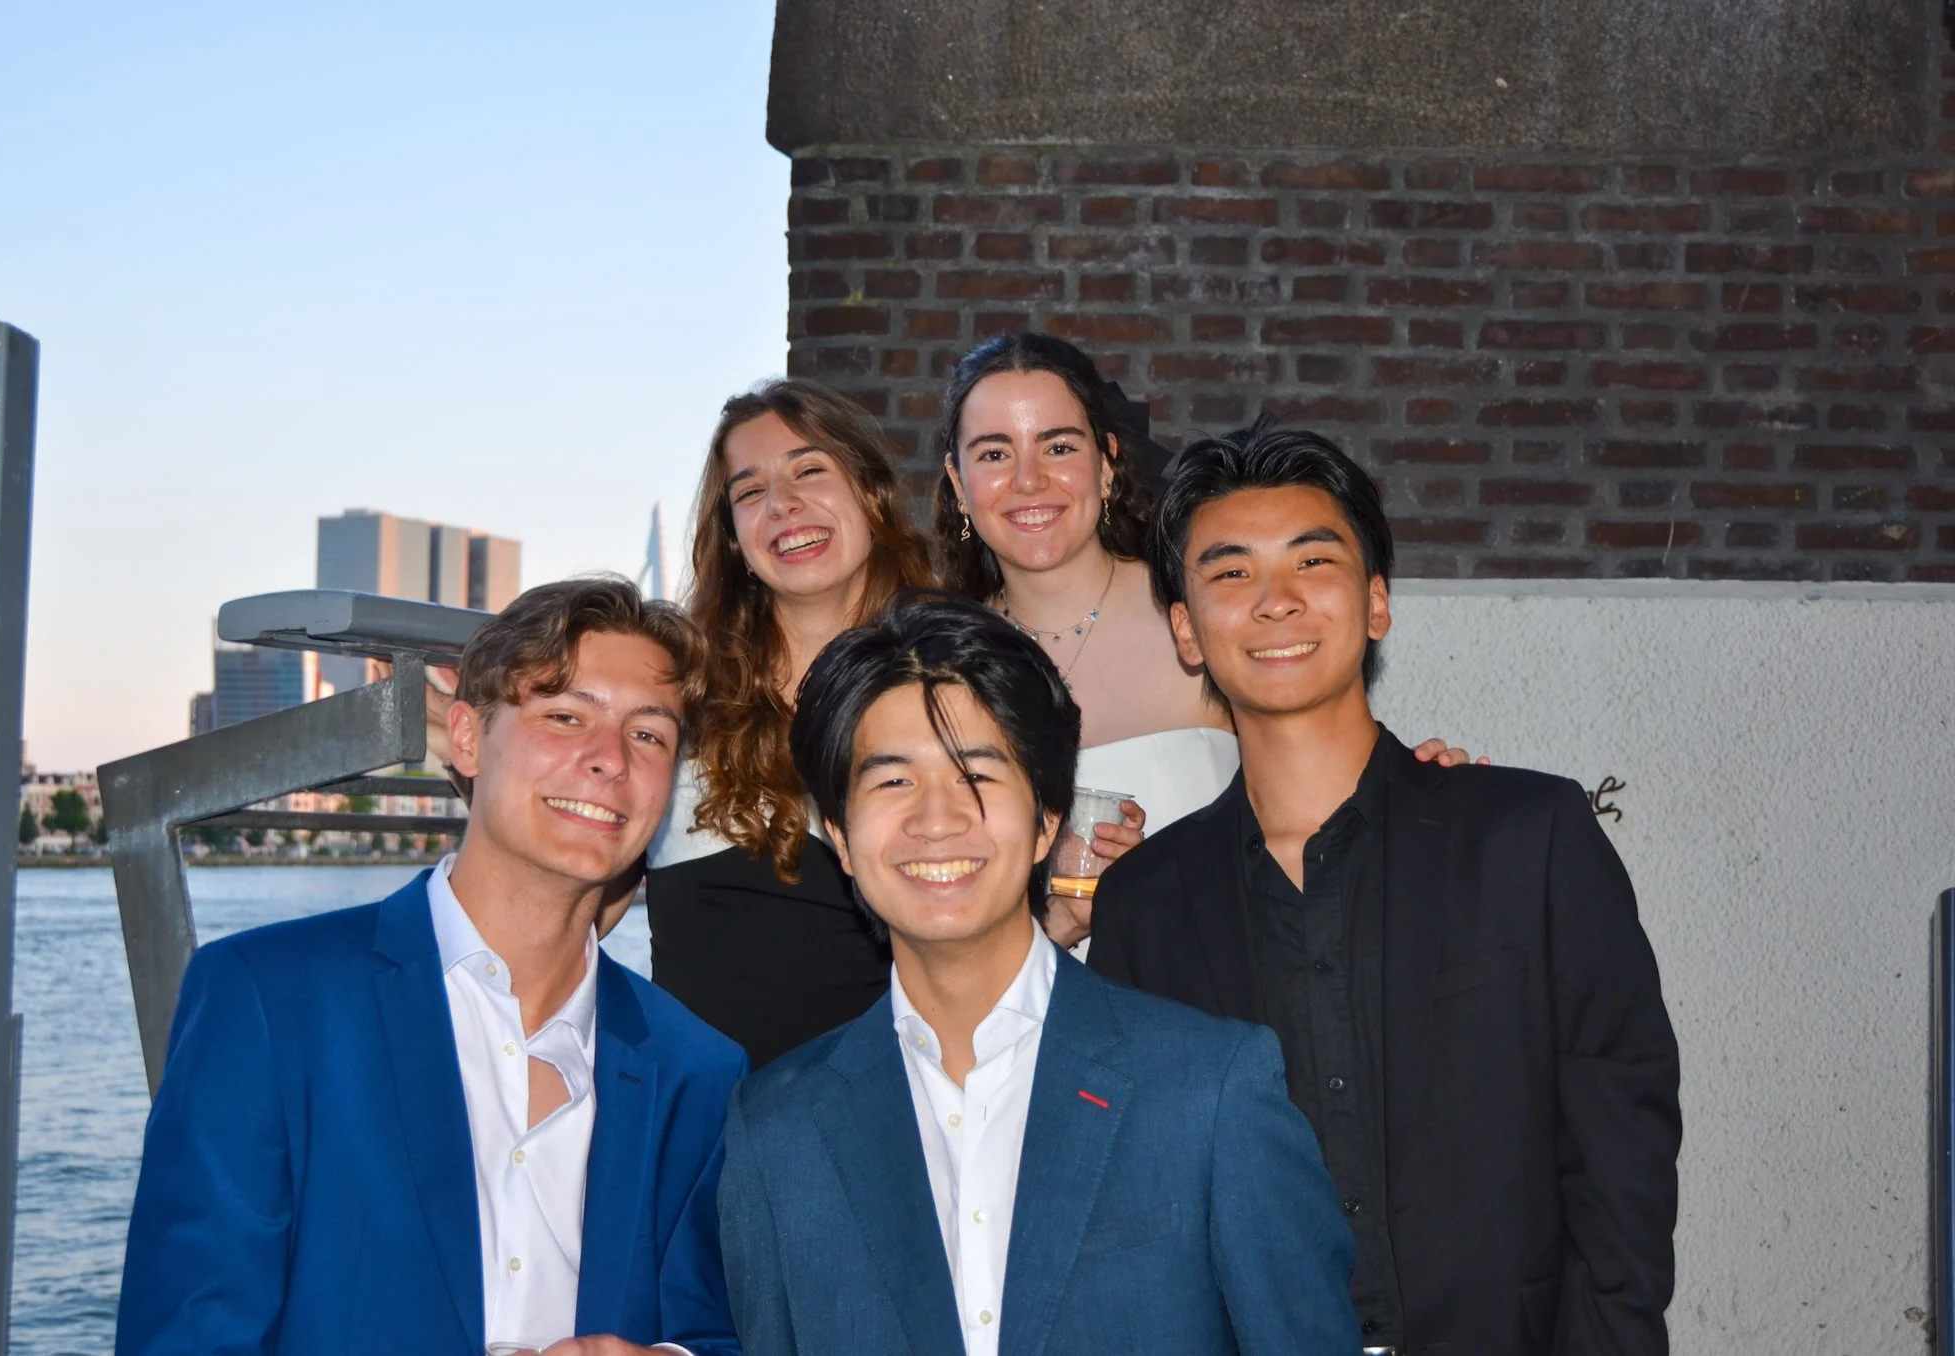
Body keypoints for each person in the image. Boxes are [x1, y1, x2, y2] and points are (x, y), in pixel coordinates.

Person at [1087, 420, 1682, 1356]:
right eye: (1232, 573)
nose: (1276, 601)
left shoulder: (1530, 837)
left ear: (1376, 603)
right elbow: (1143, 1203)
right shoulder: (1146, 904)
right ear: (1186, 631)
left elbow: (1623, 1144)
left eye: (1312, 561)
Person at [117, 578, 745, 1356]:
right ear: (468, 740)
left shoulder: (699, 1072)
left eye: (648, 735)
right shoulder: (267, 1003)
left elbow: (715, 1330)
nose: (610, 760)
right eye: (565, 716)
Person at [718, 595, 1359, 1356]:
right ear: (840, 835)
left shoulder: (1208, 1090)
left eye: (976, 775)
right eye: (893, 782)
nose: (936, 819)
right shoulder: (778, 1129)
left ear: (1047, 820)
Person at [934, 331, 1475, 946]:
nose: (1029, 480)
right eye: (994, 453)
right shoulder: (935, 665)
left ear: (1106, 462)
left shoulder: (1215, 610)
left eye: (1058, 446)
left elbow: (1333, 778)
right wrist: (1055, 925)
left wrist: (1418, 791)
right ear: (958, 480)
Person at [644, 378, 939, 1068]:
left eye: (809, 471)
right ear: (734, 538)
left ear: (870, 493)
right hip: (703, 1111)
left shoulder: (953, 685)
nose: (781, 504)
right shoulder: (680, 690)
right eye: (749, 491)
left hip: (890, 1099)